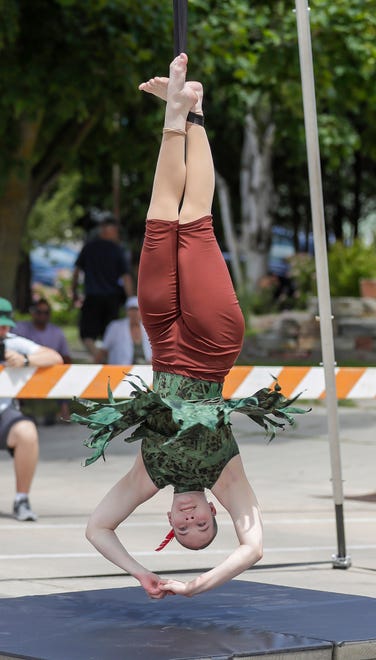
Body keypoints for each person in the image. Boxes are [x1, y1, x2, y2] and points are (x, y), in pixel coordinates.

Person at [73, 54, 305, 599]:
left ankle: (180, 111)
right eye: (202, 525)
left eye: (180, 529)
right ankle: (192, 113)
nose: (187, 520)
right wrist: (200, 584)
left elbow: (97, 528)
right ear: (211, 511)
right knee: (194, 218)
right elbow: (254, 547)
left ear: (169, 523)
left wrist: (141, 572)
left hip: (163, 344)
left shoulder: (148, 477)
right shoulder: (226, 476)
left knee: (158, 220)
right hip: (210, 345)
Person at [0, 297, 63, 521]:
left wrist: (25, 360)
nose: (4, 329)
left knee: (27, 432)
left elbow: (54, 356)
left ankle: (21, 499)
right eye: (0, 325)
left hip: (4, 411)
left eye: (7, 324)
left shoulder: (12, 342)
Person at [72, 216, 134, 360]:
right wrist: (130, 299)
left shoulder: (89, 247)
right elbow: (126, 277)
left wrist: (74, 291)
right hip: (111, 298)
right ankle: (105, 360)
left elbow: (76, 271)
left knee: (87, 334)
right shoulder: (117, 250)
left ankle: (98, 357)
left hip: (92, 296)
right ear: (110, 230)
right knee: (110, 333)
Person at [15, 297, 71, 422]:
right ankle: (17, 412)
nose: (42, 316)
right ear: (33, 313)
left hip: (51, 369)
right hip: (27, 369)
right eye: (39, 312)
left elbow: (65, 357)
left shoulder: (57, 332)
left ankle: (64, 412)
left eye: (46, 312)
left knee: (64, 375)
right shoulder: (21, 329)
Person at [94, 296, 152, 365]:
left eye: (137, 310)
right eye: (131, 310)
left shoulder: (149, 329)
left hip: (144, 371)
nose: (135, 313)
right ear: (127, 311)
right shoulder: (115, 327)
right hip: (120, 371)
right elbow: (104, 350)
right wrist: (94, 367)